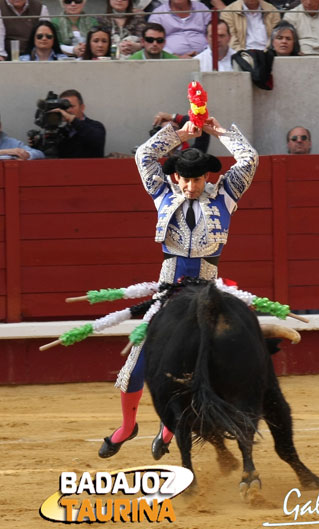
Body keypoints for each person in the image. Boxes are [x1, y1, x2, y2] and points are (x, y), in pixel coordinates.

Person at [98, 116, 259, 460]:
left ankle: (170, 427)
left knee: (208, 360)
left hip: (207, 289)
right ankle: (127, 427)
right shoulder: (162, 194)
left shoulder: (225, 195)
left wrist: (221, 133)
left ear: (207, 177)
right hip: (168, 288)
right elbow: (143, 156)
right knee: (137, 364)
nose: (191, 187)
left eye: (197, 179)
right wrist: (177, 134)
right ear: (176, 177)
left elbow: (249, 161)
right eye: (185, 180)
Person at [43, 89, 106, 158]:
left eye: (71, 106)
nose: (68, 110)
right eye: (63, 107)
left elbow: (95, 139)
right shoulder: (61, 131)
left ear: (82, 107)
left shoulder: (96, 126)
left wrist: (72, 120)